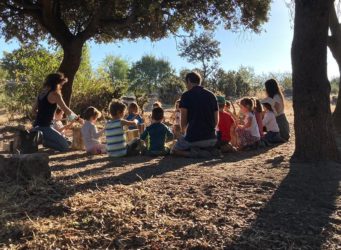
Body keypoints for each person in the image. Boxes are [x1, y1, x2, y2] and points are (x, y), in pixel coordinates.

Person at [32, 73, 83, 152]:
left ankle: (39, 137)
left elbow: (33, 111)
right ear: (56, 83)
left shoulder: (41, 94)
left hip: (36, 126)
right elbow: (66, 110)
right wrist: (80, 120)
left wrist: (42, 116)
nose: (61, 86)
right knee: (65, 146)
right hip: (45, 128)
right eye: (61, 84)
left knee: (67, 142)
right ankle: (41, 140)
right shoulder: (55, 94)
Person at [172, 71, 219, 158]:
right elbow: (216, 120)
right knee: (200, 144)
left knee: (174, 150)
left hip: (194, 138)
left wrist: (183, 133)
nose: (186, 85)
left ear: (189, 81)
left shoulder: (186, 96)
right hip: (212, 138)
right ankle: (208, 150)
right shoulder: (212, 95)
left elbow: (183, 119)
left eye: (186, 83)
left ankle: (193, 153)